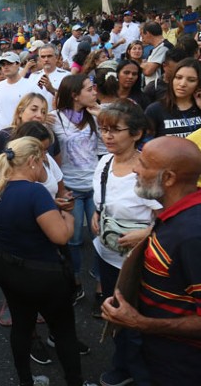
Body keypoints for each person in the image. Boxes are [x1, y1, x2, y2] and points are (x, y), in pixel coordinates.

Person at [0, 137, 94, 386]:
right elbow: (61, 235)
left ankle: (26, 380)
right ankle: (75, 382)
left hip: (9, 269)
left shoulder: (0, 187)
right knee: (64, 330)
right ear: (34, 161)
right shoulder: (36, 192)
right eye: (44, 162)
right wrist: (67, 213)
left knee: (21, 326)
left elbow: (18, 220)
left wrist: (50, 209)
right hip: (43, 276)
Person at [101, 136, 201, 385]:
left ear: (168, 178)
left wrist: (140, 322)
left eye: (144, 164)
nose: (135, 168)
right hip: (158, 353)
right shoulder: (177, 213)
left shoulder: (191, 236)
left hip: (182, 364)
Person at [89, 101, 160, 385]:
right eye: (103, 129)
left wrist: (145, 234)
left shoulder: (147, 169)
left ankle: (140, 374)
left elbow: (168, 215)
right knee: (117, 314)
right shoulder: (105, 162)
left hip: (139, 262)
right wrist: (97, 213)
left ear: (136, 133)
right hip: (107, 254)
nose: (107, 136)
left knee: (136, 320)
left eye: (115, 130)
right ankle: (124, 365)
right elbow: (102, 199)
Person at [52, 74, 101, 301]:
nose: (94, 92)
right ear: (74, 94)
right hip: (70, 187)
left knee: (100, 235)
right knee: (72, 239)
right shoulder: (55, 119)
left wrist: (104, 117)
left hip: (95, 185)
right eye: (89, 89)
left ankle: (102, 286)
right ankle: (75, 281)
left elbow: (108, 147)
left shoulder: (97, 115)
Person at [144, 58, 201, 138]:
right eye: (178, 77)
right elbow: (144, 144)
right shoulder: (154, 110)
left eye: (191, 80)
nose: (182, 84)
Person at [0, 52, 40, 136]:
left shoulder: (31, 86)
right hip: (3, 134)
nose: (5, 67)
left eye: (9, 63)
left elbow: (38, 111)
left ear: (18, 64)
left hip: (25, 134)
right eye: (3, 64)